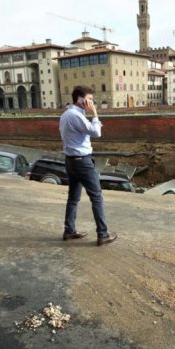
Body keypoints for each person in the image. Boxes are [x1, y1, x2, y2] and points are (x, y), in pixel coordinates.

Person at [59, 86, 117, 246]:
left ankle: (69, 230)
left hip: (70, 161)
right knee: (97, 197)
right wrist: (95, 114)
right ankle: (102, 234)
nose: (92, 102)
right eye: (89, 99)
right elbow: (96, 133)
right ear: (80, 99)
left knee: (73, 198)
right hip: (82, 162)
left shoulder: (66, 114)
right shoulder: (75, 115)